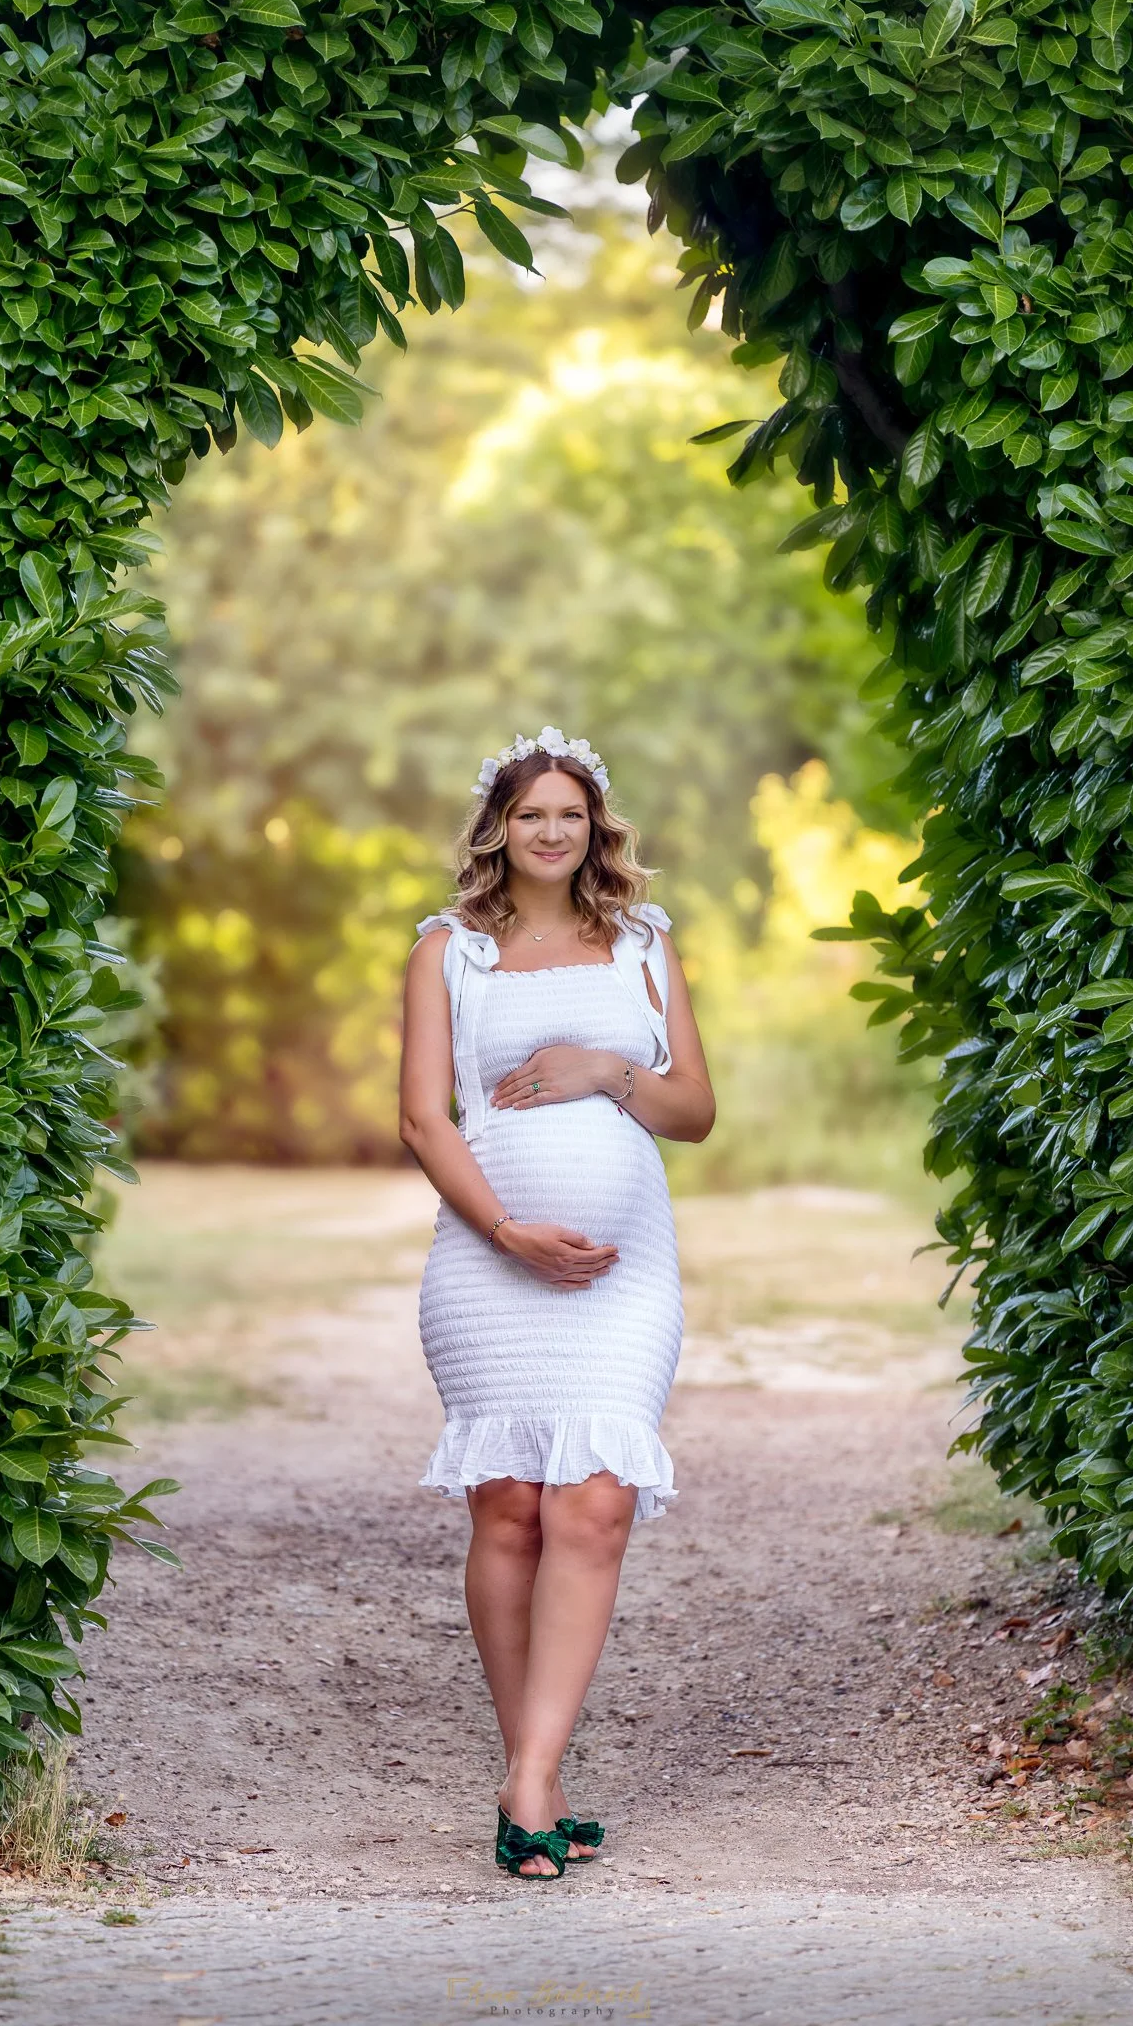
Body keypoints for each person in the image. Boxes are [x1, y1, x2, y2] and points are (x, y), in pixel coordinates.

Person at [399, 726, 715, 1880]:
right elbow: (424, 1118)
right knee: (510, 1511)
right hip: (488, 1264)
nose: (549, 830)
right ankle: (535, 1768)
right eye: (530, 812)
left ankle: (529, 1779)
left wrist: (600, 1069)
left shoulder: (641, 943)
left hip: (625, 1274)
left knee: (591, 1503)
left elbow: (692, 1110)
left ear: (594, 828)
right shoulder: (448, 949)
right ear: (499, 826)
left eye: (569, 814)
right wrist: (508, 1229)